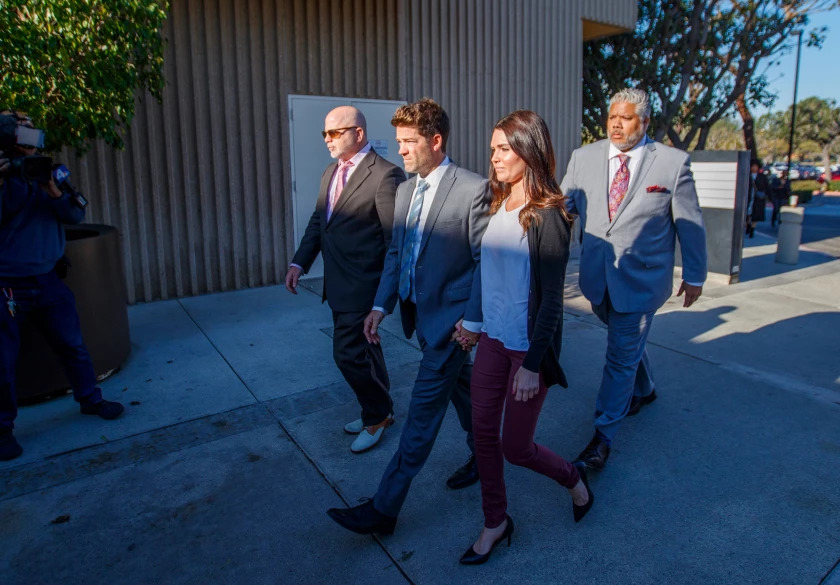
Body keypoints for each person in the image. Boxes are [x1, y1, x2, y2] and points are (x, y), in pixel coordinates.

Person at [327, 98, 491, 535]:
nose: (400, 150)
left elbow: (484, 264)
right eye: (398, 141)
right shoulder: (403, 190)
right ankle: (486, 451)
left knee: (421, 414)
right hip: (419, 317)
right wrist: (381, 306)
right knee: (464, 390)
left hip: (452, 326)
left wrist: (473, 321)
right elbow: (398, 254)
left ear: (436, 141)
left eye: (409, 142)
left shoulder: (473, 188)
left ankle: (384, 507)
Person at [456, 111, 593, 566]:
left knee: (516, 448)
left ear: (528, 151)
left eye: (503, 149)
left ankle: (574, 479)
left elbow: (553, 302)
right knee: (483, 435)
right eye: (493, 148)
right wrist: (473, 324)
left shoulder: (549, 216)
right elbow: (487, 275)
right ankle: (495, 520)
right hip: (493, 343)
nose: (493, 157)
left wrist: (533, 365)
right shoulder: (500, 205)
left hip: (526, 352)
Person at [559, 89, 707, 472]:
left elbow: (689, 224)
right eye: (612, 116)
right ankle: (647, 389)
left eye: (625, 118)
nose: (615, 123)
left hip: (642, 281)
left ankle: (602, 437)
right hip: (597, 279)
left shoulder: (673, 164)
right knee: (625, 343)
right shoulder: (584, 157)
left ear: (644, 122)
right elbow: (563, 209)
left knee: (619, 356)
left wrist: (695, 275)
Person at [0, 110, 124, 462]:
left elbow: (75, 214)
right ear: (8, 137)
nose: (32, 135)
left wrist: (53, 190)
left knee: (72, 344)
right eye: (23, 130)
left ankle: (90, 399)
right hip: (7, 285)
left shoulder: (47, 171)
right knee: (3, 360)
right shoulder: (4, 178)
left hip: (48, 279)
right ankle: (3, 429)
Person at [285, 106, 405, 454]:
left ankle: (377, 414)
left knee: (347, 354)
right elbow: (318, 222)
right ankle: (381, 410)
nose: (327, 139)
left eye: (334, 133)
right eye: (324, 133)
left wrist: (384, 298)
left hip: (364, 287)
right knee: (367, 350)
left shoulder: (386, 175)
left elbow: (391, 241)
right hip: (337, 285)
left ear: (359, 134)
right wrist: (299, 262)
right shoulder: (331, 172)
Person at [747, 160, 770, 237]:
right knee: (748, 214)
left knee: (756, 215)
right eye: (753, 166)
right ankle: (748, 225)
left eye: (755, 166)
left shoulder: (762, 177)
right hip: (748, 197)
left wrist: (769, 196)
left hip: (758, 199)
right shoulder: (746, 175)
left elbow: (767, 187)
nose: (754, 168)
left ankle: (752, 230)